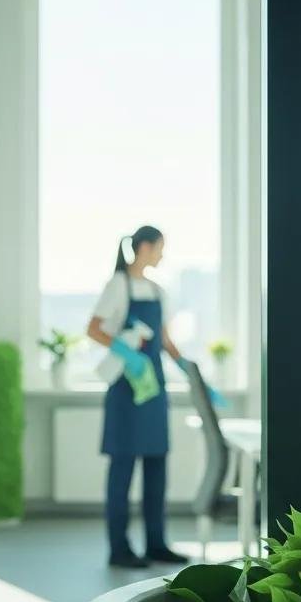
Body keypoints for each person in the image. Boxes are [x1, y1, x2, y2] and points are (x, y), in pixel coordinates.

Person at [86, 226, 224, 568]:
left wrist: (193, 375)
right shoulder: (118, 284)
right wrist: (126, 352)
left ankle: (156, 543)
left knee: (156, 467)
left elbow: (164, 340)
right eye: (160, 248)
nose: (162, 255)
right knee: (122, 468)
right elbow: (94, 328)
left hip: (154, 392)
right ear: (145, 247)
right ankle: (119, 548)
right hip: (125, 389)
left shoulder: (158, 291)